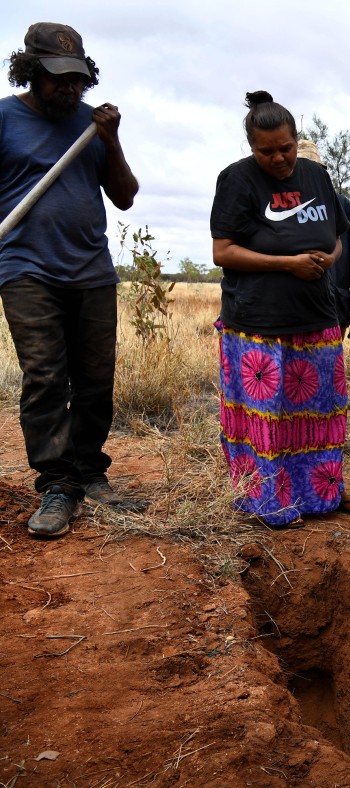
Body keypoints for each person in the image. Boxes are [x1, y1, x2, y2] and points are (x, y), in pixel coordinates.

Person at [0, 22, 142, 538]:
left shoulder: (91, 126)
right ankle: (58, 483)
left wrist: (111, 139)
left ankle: (88, 471)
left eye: (77, 79)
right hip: (25, 268)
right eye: (58, 78)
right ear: (31, 70)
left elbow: (125, 195)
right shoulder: (4, 118)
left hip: (92, 271)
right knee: (44, 376)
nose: (69, 88)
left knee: (95, 379)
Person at [210, 91, 350, 527]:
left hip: (316, 319)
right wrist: (286, 264)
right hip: (258, 325)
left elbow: (338, 235)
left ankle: (320, 498)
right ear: (251, 147)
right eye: (266, 151)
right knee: (266, 421)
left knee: (318, 417)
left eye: (285, 148)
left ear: (296, 139)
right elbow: (222, 251)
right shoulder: (236, 180)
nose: (278, 158)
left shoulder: (317, 177)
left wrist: (329, 258)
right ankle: (269, 504)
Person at [296, 139, 350, 339]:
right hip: (293, 307)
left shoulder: (342, 205)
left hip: (334, 304)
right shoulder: (284, 203)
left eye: (313, 168)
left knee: (328, 364)